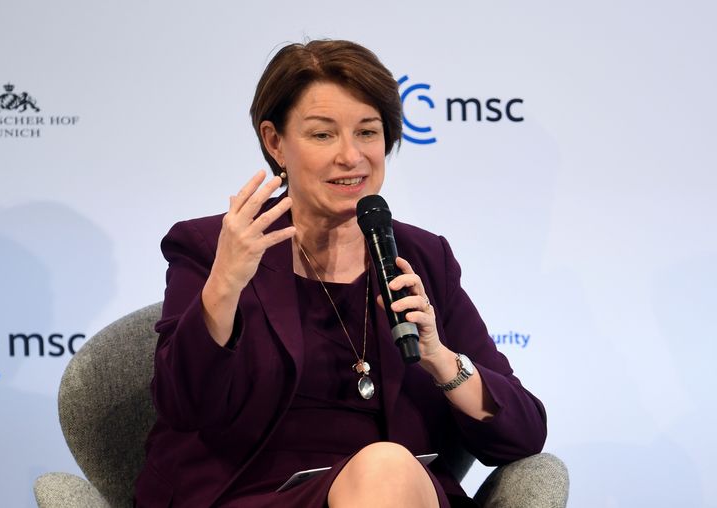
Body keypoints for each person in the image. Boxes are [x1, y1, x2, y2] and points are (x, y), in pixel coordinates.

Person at [134, 39, 547, 508]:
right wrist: (224, 284)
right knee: (387, 466)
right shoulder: (214, 247)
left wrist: (439, 358)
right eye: (323, 135)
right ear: (275, 142)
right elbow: (183, 405)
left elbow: (523, 434)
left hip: (396, 492)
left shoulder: (424, 257)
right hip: (248, 494)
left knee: (387, 468)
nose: (351, 156)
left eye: (367, 133)